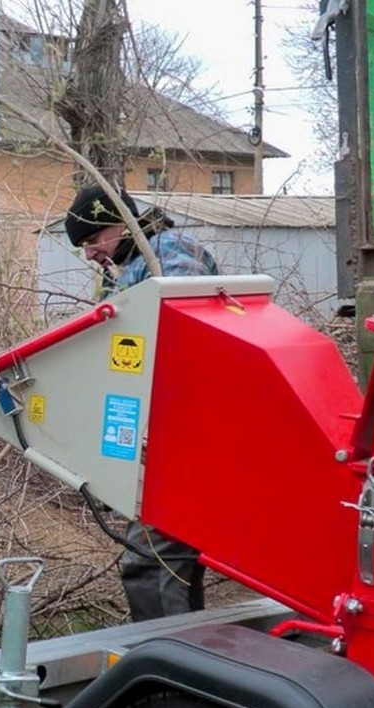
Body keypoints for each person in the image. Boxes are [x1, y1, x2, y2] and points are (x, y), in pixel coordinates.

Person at [65, 184, 215, 621]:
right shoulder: (128, 268)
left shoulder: (169, 256)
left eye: (93, 240)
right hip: (163, 433)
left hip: (184, 434)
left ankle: (169, 668)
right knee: (168, 561)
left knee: (151, 562)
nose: (90, 254)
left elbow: (182, 333)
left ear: (121, 226)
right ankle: (189, 660)